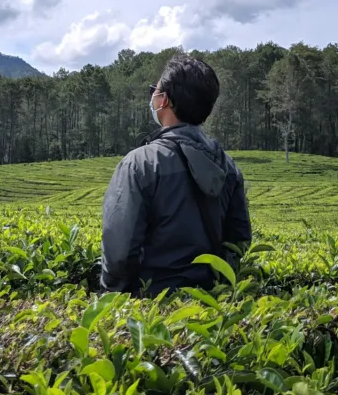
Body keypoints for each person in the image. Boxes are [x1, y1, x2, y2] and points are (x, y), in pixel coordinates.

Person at [100, 53, 252, 296]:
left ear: (164, 100)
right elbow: (238, 241)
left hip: (151, 307)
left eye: (155, 90)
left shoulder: (140, 164)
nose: (152, 96)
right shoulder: (229, 167)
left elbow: (119, 253)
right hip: (209, 304)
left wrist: (113, 302)